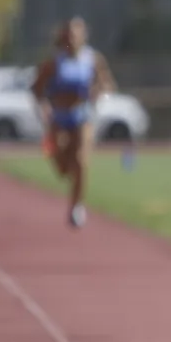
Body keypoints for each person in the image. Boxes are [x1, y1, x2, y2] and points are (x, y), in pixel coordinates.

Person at [30, 17, 116, 229]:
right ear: (63, 37)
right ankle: (69, 172)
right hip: (59, 117)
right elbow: (36, 89)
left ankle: (77, 206)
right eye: (69, 35)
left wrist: (99, 91)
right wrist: (44, 107)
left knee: (81, 161)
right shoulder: (54, 62)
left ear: (84, 36)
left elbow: (107, 83)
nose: (72, 39)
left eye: (76, 35)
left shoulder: (92, 59)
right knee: (62, 167)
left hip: (82, 115)